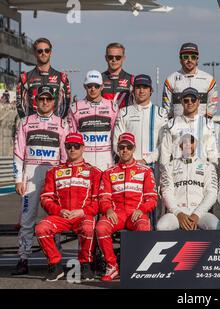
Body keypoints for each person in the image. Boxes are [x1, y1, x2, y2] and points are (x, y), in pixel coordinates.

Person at [12, 85, 69, 275]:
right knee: (27, 219)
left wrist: (62, 180)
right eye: (41, 99)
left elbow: (65, 155)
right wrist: (18, 178)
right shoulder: (26, 123)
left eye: (48, 99)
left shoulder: (62, 124)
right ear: (36, 101)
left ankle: (55, 259)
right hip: (30, 176)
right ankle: (23, 258)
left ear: (54, 101)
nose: (45, 102)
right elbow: (18, 153)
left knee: (54, 219)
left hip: (53, 177)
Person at [36, 133, 101, 282]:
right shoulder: (54, 172)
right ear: (64, 148)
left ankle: (86, 264)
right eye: (69, 146)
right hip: (61, 216)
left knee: (89, 228)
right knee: (41, 228)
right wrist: (59, 211)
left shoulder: (94, 172)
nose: (72, 149)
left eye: (76, 146)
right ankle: (55, 265)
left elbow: (98, 201)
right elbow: (45, 198)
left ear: (83, 148)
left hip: (82, 215)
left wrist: (83, 211)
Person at [95, 133, 158, 281]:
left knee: (143, 227)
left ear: (134, 148)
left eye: (128, 147)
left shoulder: (145, 171)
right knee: (101, 227)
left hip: (136, 213)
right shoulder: (109, 172)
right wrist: (108, 209)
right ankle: (112, 266)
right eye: (122, 147)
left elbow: (152, 198)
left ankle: (137, 266)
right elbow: (104, 197)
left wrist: (142, 210)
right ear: (117, 149)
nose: (125, 150)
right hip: (116, 213)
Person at [157, 132, 219, 231]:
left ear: (196, 144)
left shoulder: (208, 166)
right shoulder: (169, 166)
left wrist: (197, 214)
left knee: (216, 225)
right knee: (161, 226)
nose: (188, 144)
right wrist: (178, 213)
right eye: (184, 142)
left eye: (191, 141)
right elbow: (166, 192)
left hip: (201, 213)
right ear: (180, 145)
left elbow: (212, 193)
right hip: (177, 213)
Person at [67, 70, 118, 171]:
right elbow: (71, 137)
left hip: (106, 161)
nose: (93, 89)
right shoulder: (75, 108)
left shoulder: (112, 107)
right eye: (89, 86)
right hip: (84, 161)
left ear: (102, 87)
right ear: (84, 86)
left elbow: (115, 136)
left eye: (96, 86)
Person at [113, 74, 168, 166]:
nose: (141, 91)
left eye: (145, 87)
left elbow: (164, 143)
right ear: (133, 91)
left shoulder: (161, 113)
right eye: (138, 87)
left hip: (153, 166)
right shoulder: (124, 112)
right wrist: (130, 160)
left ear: (151, 91)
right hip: (129, 166)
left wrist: (146, 160)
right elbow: (116, 142)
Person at [160, 87, 218, 167]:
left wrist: (212, 173)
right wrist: (166, 174)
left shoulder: (207, 124)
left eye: (193, 100)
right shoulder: (172, 124)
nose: (190, 103)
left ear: (198, 102)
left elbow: (213, 153)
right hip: (178, 172)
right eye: (186, 100)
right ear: (182, 102)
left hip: (201, 172)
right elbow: (165, 153)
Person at [16, 37, 71, 118]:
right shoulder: (24, 78)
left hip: (54, 126)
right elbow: (19, 105)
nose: (43, 53)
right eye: (40, 51)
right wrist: (27, 123)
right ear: (35, 53)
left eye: (47, 50)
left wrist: (60, 122)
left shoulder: (62, 77)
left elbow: (66, 105)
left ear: (50, 53)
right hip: (33, 126)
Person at [162, 42, 218, 118]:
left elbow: (212, 106)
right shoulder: (170, 79)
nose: (189, 60)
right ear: (180, 60)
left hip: (201, 126)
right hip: (177, 126)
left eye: (193, 57)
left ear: (197, 60)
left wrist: (204, 123)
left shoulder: (209, 79)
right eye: (185, 57)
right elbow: (166, 109)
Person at [102, 42, 134, 108]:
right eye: (110, 57)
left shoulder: (131, 79)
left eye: (118, 57)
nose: (114, 60)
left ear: (123, 58)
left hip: (124, 117)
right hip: (105, 117)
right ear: (106, 58)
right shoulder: (99, 78)